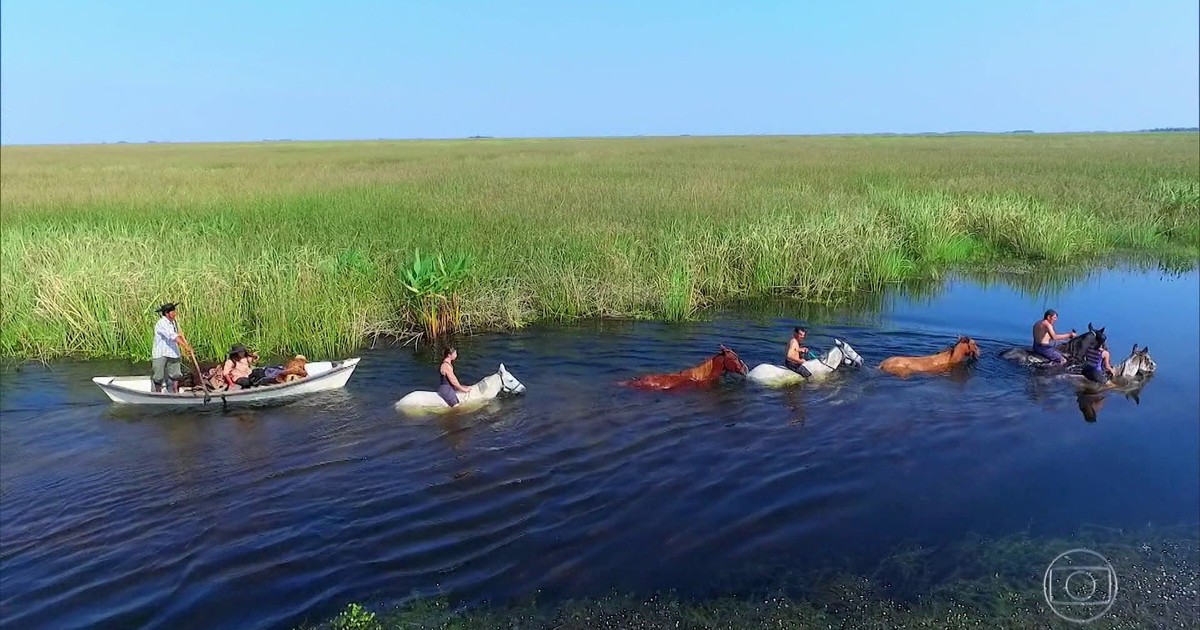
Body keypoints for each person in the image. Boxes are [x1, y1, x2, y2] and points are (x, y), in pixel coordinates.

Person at [151, 302, 191, 393]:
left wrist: (184, 341)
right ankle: (158, 393)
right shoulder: (161, 323)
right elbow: (172, 335)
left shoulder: (174, 323)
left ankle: (175, 392)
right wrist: (185, 346)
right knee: (158, 376)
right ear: (166, 313)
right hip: (161, 352)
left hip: (173, 352)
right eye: (173, 312)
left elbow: (177, 335)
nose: (175, 314)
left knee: (176, 374)